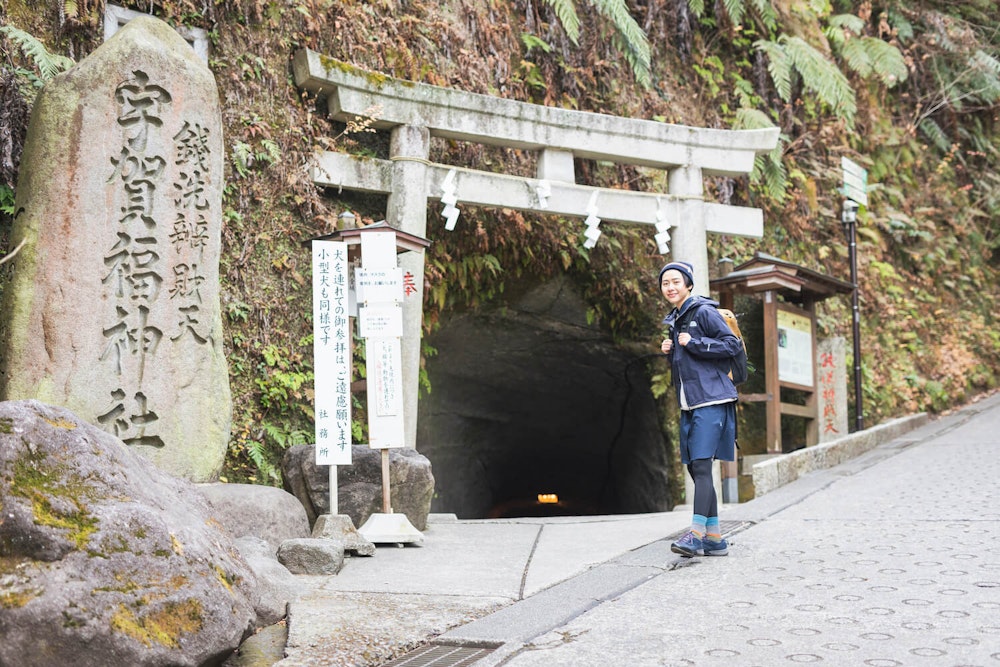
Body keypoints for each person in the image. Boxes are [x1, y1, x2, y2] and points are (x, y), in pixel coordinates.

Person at [658, 260, 742, 557]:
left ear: (689, 285)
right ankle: (715, 538)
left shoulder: (703, 311)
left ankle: (695, 534)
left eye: (675, 282)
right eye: (665, 283)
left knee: (703, 466)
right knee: (697, 468)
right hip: (690, 404)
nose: (670, 287)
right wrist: (671, 352)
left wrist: (695, 342)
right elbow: (688, 366)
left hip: (712, 400)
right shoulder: (676, 320)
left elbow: (731, 345)